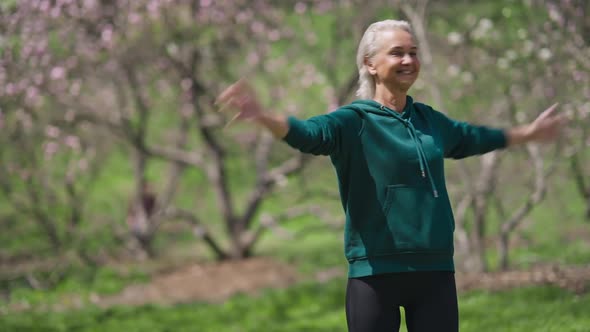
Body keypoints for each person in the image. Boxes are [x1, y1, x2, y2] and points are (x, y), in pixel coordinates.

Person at [216, 19, 566, 332]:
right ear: (369, 64)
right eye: (397, 53)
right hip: (375, 274)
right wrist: (262, 116)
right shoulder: (352, 121)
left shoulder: (428, 119)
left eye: (413, 53)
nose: (409, 61)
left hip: (435, 270)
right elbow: (309, 134)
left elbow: (471, 137)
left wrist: (529, 134)